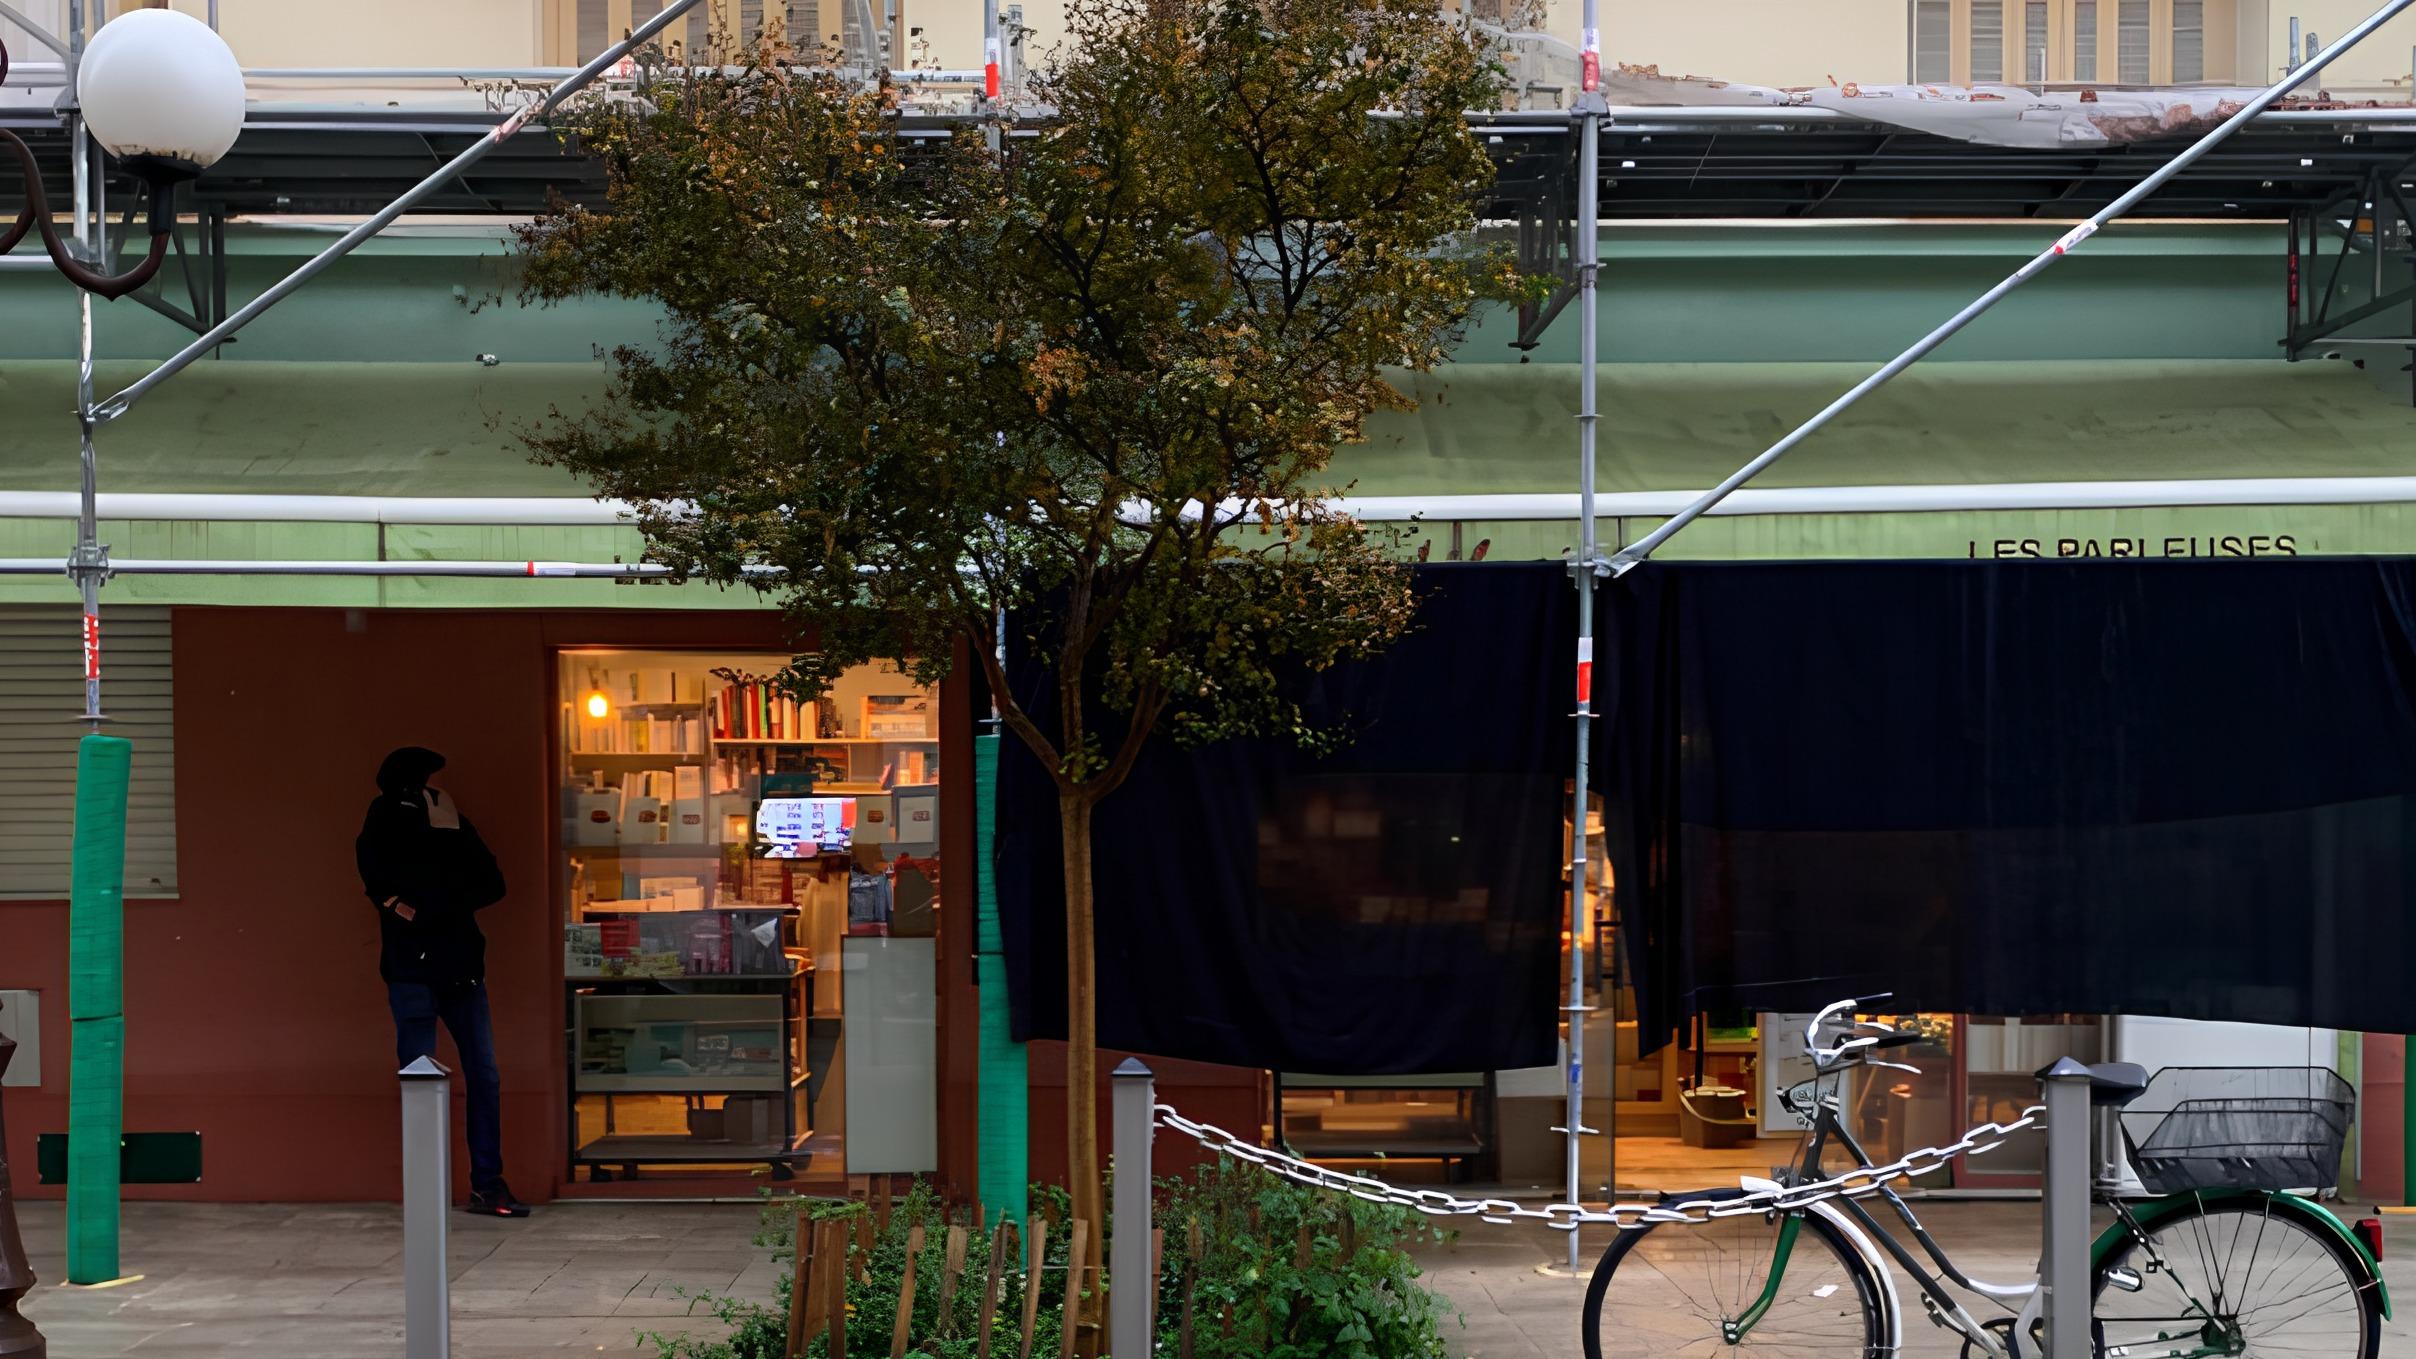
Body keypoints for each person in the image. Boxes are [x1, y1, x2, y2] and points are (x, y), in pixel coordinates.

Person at [355, 746, 529, 1218]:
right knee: (433, 1079)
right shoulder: (386, 822)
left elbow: (492, 882)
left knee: (477, 1076)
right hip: (418, 969)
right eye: (417, 783)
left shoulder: (448, 822)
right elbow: (379, 885)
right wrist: (428, 906)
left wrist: (433, 904)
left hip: (454, 968)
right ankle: (441, 1190)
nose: (423, 792)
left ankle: (481, 1184)